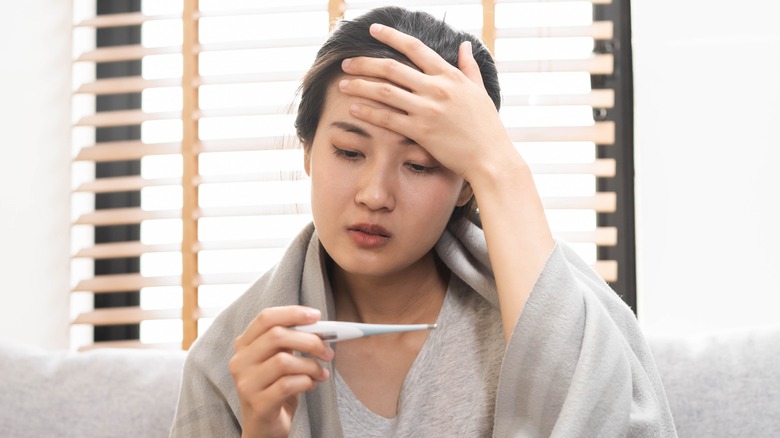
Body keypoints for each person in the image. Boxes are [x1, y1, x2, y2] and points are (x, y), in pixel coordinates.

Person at [170, 6, 677, 437]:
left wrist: (499, 163)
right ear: (307, 152)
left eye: (420, 165)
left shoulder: (553, 311)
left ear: (466, 185)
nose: (375, 195)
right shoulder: (226, 364)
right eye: (348, 151)